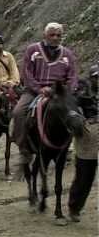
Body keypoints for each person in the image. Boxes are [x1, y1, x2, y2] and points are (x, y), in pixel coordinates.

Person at [11, 22, 79, 174]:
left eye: (58, 35)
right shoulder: (32, 50)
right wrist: (39, 89)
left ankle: (71, 146)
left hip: (59, 92)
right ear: (45, 35)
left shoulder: (67, 54)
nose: (55, 38)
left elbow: (73, 76)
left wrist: (67, 91)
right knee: (18, 112)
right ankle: (24, 150)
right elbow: (27, 73)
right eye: (52, 35)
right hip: (35, 91)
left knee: (77, 113)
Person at [68, 63, 98, 222]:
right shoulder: (81, 92)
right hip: (88, 133)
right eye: (96, 77)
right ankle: (74, 206)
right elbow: (72, 109)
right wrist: (79, 121)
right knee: (85, 175)